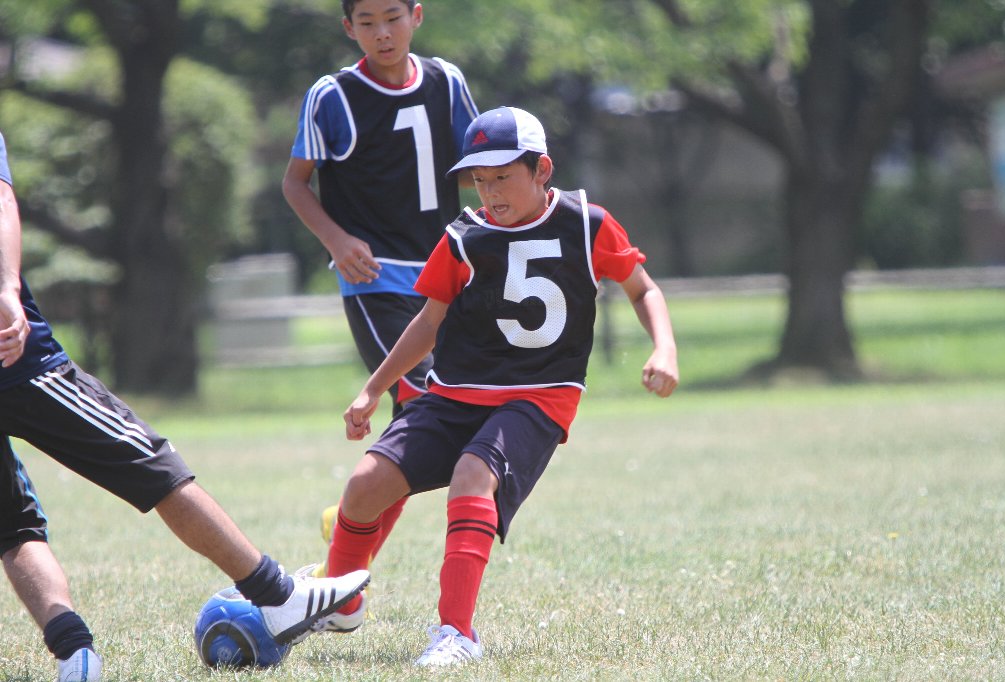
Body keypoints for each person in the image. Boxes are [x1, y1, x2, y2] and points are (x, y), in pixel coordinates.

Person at [0, 130, 370, 682]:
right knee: (154, 463)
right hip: (14, 359)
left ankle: (75, 655)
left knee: (12, 522)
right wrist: (7, 286)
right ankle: (277, 596)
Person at [318, 106, 679, 667]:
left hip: (538, 397)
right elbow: (428, 323)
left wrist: (664, 348)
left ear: (542, 170)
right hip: (452, 393)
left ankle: (456, 634)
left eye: (503, 176)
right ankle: (335, 600)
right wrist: (372, 390)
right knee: (366, 483)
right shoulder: (465, 237)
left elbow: (643, 288)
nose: (490, 191)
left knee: (472, 474)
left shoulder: (587, 224)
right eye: (479, 179)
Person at [281, 0, 479, 589]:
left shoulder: (447, 82)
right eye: (366, 22)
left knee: (436, 419)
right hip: (377, 280)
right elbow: (295, 183)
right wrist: (337, 240)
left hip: (445, 275)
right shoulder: (332, 96)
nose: (382, 32)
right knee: (426, 404)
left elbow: (478, 166)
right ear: (349, 28)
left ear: (417, 15)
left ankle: (347, 531)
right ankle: (343, 577)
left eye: (392, 17)